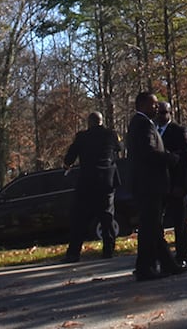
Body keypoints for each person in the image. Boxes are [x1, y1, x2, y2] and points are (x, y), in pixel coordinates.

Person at [127, 90, 182, 281]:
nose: (156, 107)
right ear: (142, 105)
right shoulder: (142, 125)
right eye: (153, 104)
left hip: (148, 185)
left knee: (153, 228)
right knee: (150, 228)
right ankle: (144, 269)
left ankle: (168, 264)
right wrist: (170, 158)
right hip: (149, 185)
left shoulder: (143, 124)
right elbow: (149, 152)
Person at [61, 111, 121, 262]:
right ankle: (108, 250)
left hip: (87, 181)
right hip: (106, 181)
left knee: (79, 218)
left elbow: (70, 158)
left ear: (89, 123)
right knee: (107, 217)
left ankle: (74, 253)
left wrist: (67, 165)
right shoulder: (111, 135)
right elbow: (118, 149)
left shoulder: (82, 137)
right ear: (101, 121)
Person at [155, 100, 187, 269]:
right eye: (158, 112)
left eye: (164, 112)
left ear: (170, 113)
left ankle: (182, 255)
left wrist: (181, 185)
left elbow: (186, 159)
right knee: (157, 222)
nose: (161, 116)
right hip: (159, 186)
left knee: (180, 222)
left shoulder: (180, 131)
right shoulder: (153, 132)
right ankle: (162, 257)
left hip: (176, 184)